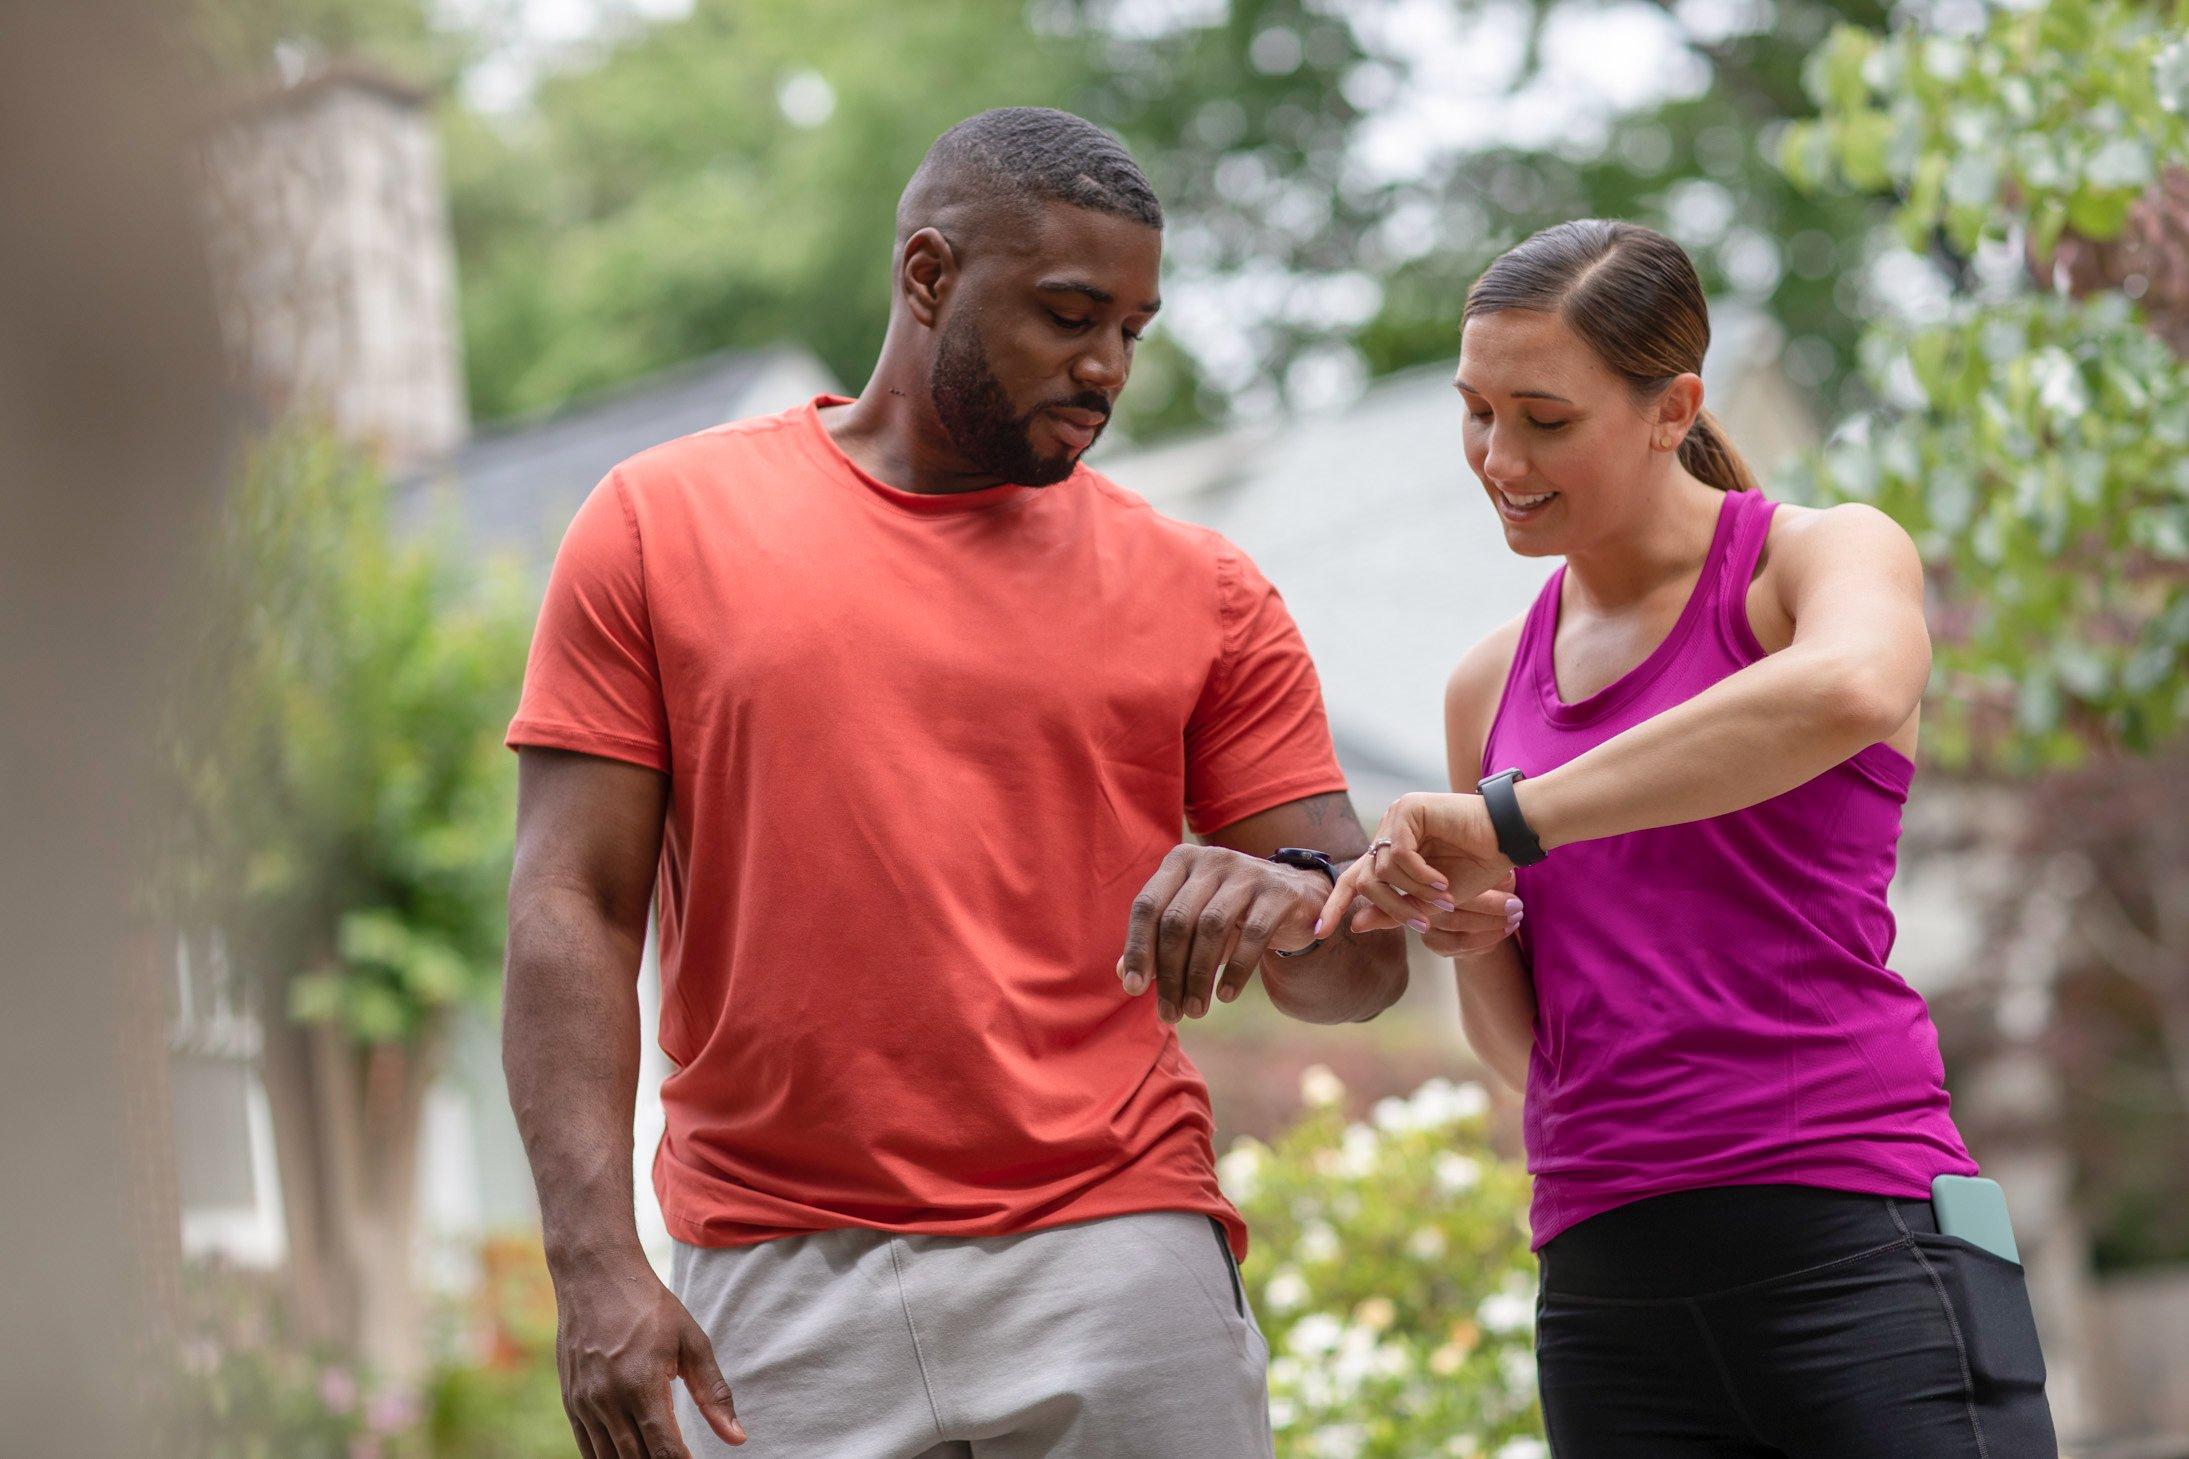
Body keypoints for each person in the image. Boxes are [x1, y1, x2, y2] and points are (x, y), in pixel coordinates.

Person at [500, 107, 1514, 1459]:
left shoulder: (1202, 589)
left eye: (1131, 331)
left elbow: (1357, 967)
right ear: (928, 275)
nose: (1105, 366)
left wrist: (1288, 898)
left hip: (1113, 1248)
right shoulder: (656, 523)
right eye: (1067, 314)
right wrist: (589, 1256)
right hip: (773, 1277)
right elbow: (570, 899)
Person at [1315, 220, 2059, 1456]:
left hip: (1857, 1245)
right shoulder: (1485, 685)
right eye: (1475, 412)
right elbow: (1530, 1051)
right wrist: (1471, 923)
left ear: (1672, 410)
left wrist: (1508, 818)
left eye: (1544, 418)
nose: (1498, 457)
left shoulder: (1814, 560)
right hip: (1607, 1291)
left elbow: (1848, 690)